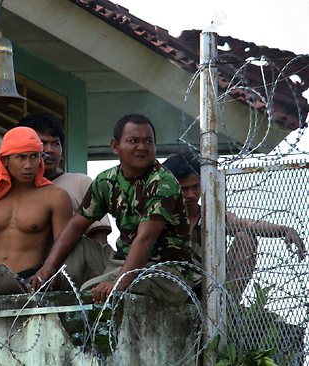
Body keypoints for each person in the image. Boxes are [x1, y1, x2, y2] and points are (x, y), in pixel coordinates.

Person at [32, 114, 195, 305]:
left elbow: (145, 238)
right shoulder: (107, 180)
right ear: (115, 146)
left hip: (165, 272)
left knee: (89, 291)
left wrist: (118, 281)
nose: (142, 147)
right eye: (133, 141)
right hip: (121, 261)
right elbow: (75, 226)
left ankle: (79, 294)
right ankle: (42, 286)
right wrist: (48, 267)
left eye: (148, 141)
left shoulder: (162, 183)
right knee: (77, 244)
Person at [162, 149, 306, 297]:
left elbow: (245, 224)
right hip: (170, 285)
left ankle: (226, 306)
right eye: (184, 189)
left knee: (245, 238)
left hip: (207, 291)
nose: (191, 195)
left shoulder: (210, 217)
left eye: (196, 187)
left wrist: (284, 230)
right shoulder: (160, 216)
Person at [0, 126, 73, 298]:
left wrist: (51, 273)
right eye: (21, 157)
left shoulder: (56, 197)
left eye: (34, 156)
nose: (28, 165)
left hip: (31, 283)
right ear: (5, 160)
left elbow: (64, 245)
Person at [18, 112, 114, 288]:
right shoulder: (14, 192)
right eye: (42, 143)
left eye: (55, 143)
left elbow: (98, 242)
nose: (50, 150)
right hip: (26, 280)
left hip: (73, 281)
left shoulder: (80, 182)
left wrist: (99, 282)